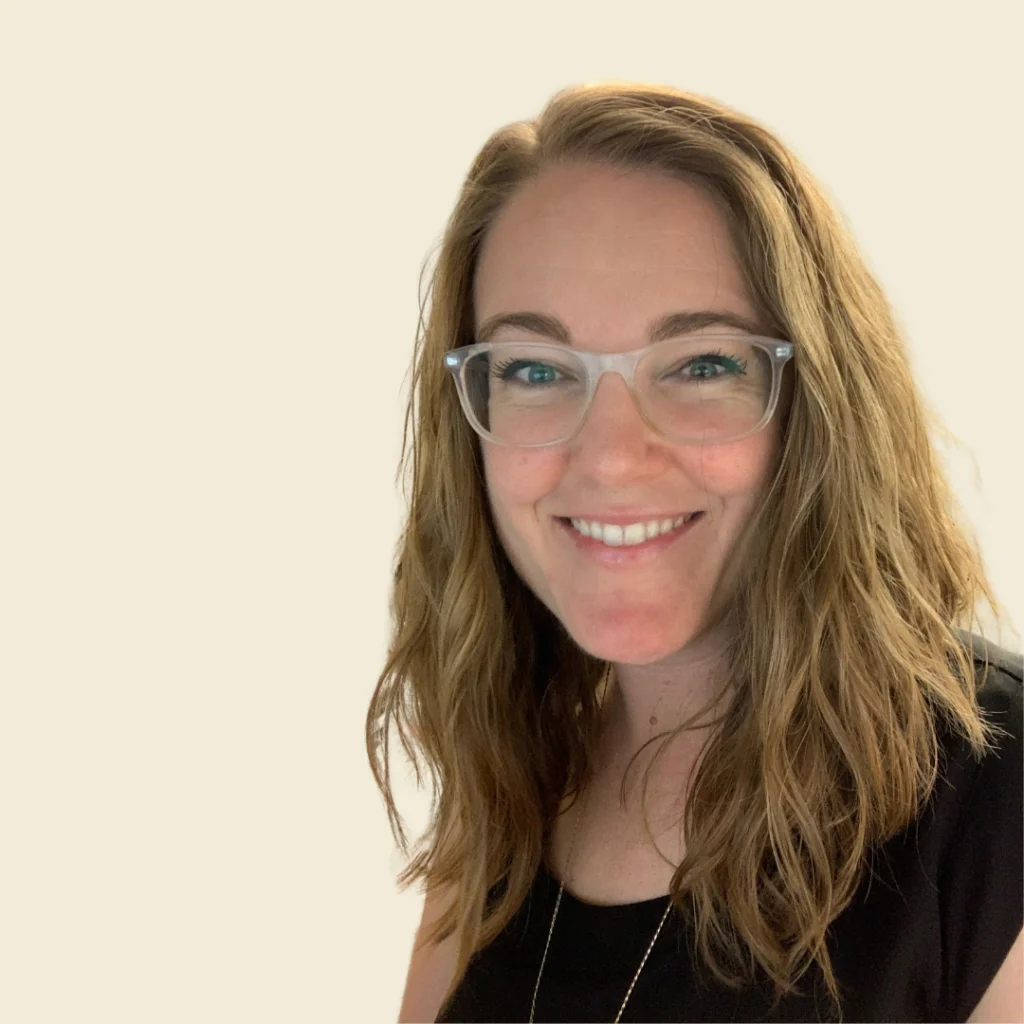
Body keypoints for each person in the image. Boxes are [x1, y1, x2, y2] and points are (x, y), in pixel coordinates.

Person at [365, 82, 1023, 1023]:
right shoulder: (507, 788)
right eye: (536, 370)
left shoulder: (997, 812)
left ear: (820, 404)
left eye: (703, 364)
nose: (612, 454)